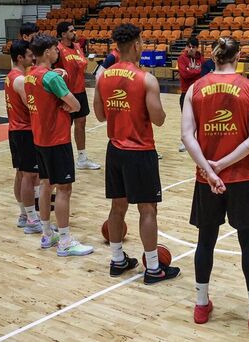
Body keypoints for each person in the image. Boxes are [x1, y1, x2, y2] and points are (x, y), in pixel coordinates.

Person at [181, 36, 249, 330]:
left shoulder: (195, 88)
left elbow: (187, 136)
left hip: (206, 179)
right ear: (239, 56)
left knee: (205, 242)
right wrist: (221, 167)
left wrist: (210, 171)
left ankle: (200, 305)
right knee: (248, 242)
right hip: (242, 177)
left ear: (213, 57)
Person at [94, 23, 180, 283]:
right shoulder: (146, 79)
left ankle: (117, 259)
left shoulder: (103, 77)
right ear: (136, 46)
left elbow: (99, 115)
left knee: (117, 206)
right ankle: (153, 268)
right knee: (148, 209)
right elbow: (159, 120)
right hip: (140, 151)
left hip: (115, 150)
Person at [25, 33, 93, 257]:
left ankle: (47, 234)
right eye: (55, 50)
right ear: (47, 52)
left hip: (40, 140)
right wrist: (66, 103)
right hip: (57, 139)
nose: (58, 53)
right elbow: (74, 105)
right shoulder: (52, 78)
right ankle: (65, 241)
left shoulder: (30, 76)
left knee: (46, 185)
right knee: (64, 189)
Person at [55, 22, 101, 170]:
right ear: (63, 34)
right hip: (65, 93)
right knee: (64, 126)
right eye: (71, 31)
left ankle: (82, 158)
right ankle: (62, 158)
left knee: (81, 124)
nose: (75, 32)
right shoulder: (58, 49)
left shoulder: (77, 47)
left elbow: (82, 66)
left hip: (80, 91)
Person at [5, 40, 40, 233]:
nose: (32, 58)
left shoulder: (10, 76)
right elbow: (32, 106)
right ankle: (32, 220)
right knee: (30, 175)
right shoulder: (20, 80)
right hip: (25, 130)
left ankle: (24, 214)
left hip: (14, 130)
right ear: (20, 57)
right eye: (29, 55)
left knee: (21, 173)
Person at [178, 37, 204, 152]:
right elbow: (184, 74)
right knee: (186, 119)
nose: (191, 49)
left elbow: (204, 74)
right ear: (186, 47)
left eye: (193, 47)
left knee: (200, 118)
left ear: (197, 48)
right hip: (186, 92)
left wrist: (192, 71)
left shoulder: (201, 59)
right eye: (189, 46)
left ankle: (200, 141)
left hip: (199, 93)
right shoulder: (182, 59)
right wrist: (197, 72)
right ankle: (184, 142)